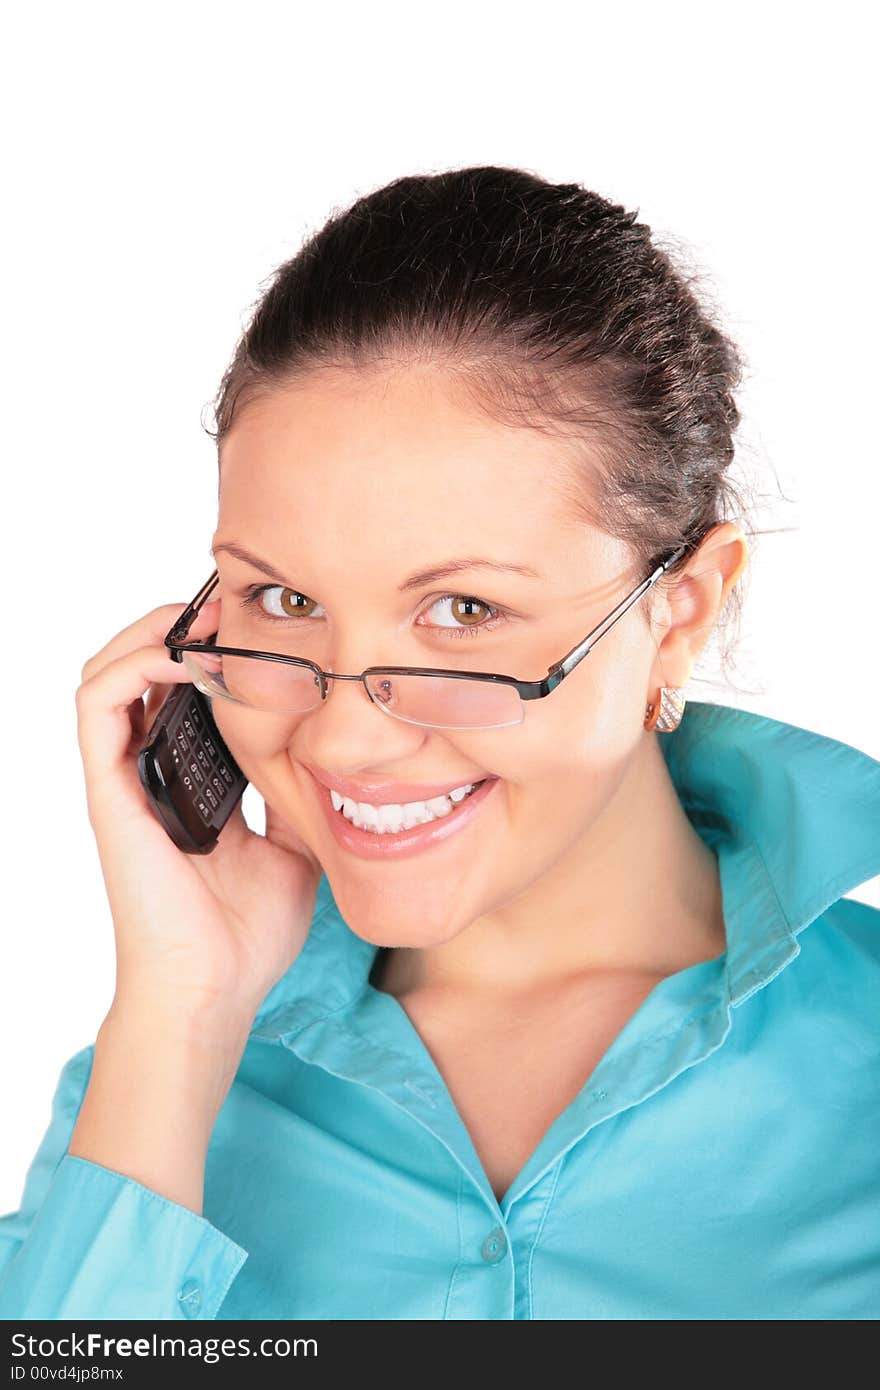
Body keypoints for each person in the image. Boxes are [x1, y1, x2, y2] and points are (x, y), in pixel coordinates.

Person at [1, 165, 877, 1322]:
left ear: (680, 608)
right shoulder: (155, 1086)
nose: (348, 737)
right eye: (283, 600)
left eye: (463, 613)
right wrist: (177, 1011)